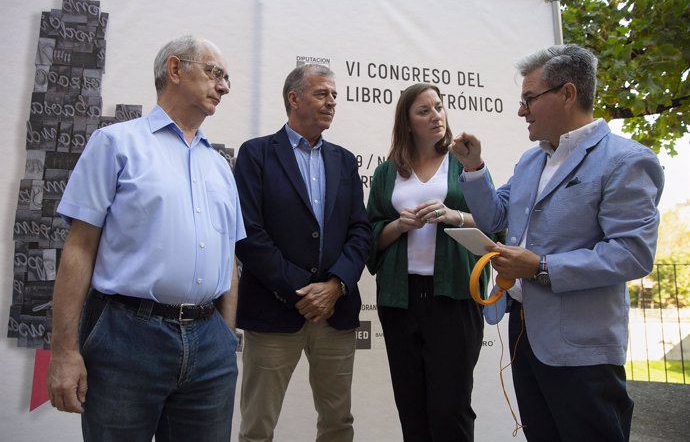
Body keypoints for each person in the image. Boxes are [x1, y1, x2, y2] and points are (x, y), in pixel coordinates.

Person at [450, 44, 664, 442]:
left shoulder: (626, 160)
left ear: (567, 94)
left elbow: (632, 254)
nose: (521, 111)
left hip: (581, 348)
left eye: (529, 99)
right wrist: (475, 168)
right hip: (524, 333)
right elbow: (496, 216)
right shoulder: (532, 160)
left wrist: (541, 267)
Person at [47, 35, 245, 441]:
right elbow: (79, 248)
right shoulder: (116, 144)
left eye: (226, 78)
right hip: (126, 339)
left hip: (210, 344)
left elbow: (228, 260)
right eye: (215, 73)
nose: (223, 86)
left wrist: (225, 337)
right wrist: (65, 352)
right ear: (175, 70)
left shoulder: (221, 166)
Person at [233, 63, 371, 442]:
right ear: (294, 98)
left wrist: (336, 285)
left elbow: (361, 229)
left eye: (334, 96)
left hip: (336, 312)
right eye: (322, 93)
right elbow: (247, 233)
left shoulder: (345, 160)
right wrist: (302, 289)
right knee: (257, 426)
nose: (332, 103)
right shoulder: (257, 154)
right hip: (274, 311)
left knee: (338, 424)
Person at [366, 83, 490, 442]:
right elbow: (371, 231)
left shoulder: (463, 163)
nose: (436, 116)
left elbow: (492, 221)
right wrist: (398, 225)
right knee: (412, 406)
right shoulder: (387, 172)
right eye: (424, 111)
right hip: (400, 301)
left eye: (438, 107)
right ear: (407, 122)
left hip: (454, 297)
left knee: (450, 409)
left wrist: (453, 215)